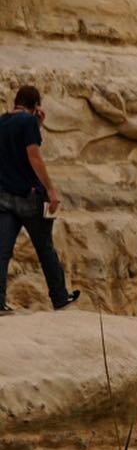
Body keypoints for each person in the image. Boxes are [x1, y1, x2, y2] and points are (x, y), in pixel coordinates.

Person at [0, 84, 80, 315]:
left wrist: (38, 125)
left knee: (2, 251)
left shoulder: (2, 121)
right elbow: (33, 156)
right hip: (30, 197)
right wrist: (51, 189)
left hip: (4, 197)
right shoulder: (27, 122)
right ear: (35, 105)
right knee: (45, 247)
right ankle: (60, 296)